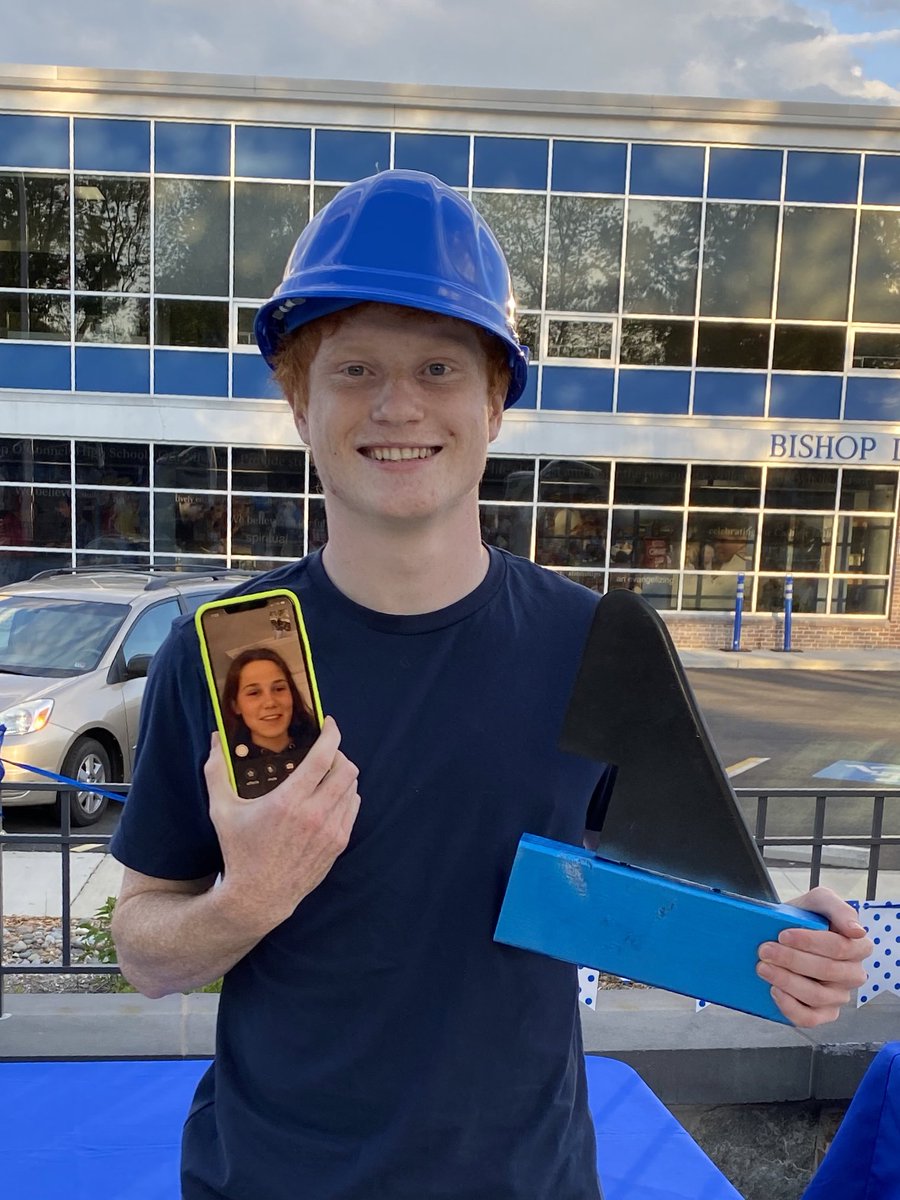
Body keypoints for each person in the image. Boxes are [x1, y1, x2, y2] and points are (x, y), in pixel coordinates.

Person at [110, 171, 872, 1200]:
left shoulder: (597, 644)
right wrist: (250, 896)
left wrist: (795, 962)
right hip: (271, 1177)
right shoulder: (224, 651)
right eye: (354, 369)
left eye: (437, 365)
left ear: (495, 399)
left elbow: (687, 917)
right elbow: (146, 950)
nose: (397, 405)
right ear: (299, 399)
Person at [219, 646, 318, 796]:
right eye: (254, 693)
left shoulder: (321, 744)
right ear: (236, 706)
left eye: (279, 689)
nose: (270, 702)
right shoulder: (225, 769)